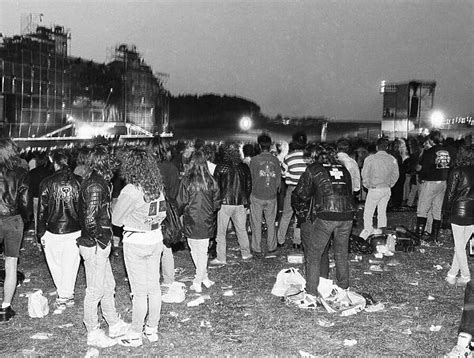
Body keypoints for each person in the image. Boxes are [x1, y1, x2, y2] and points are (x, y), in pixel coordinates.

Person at [112, 148, 167, 347]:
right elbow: (162, 215)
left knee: (139, 291)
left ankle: (135, 334)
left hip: (136, 241)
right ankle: (152, 329)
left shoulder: (131, 190)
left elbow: (116, 220)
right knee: (154, 287)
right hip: (155, 238)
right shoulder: (157, 186)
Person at [77, 145, 129, 348]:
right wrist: (102, 240)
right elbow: (90, 220)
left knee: (108, 286)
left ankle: (113, 323)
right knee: (95, 290)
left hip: (98, 242)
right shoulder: (95, 185)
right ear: (105, 162)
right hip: (95, 244)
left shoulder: (98, 182)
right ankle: (93, 331)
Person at [292, 144, 356, 300]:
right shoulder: (343, 168)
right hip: (347, 214)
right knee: (341, 254)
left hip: (327, 214)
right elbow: (350, 191)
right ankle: (343, 289)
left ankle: (311, 293)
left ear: (317, 155)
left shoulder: (314, 169)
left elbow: (301, 193)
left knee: (314, 255)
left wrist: (302, 215)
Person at [37, 150, 82, 312]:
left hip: (53, 229)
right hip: (75, 229)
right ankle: (66, 294)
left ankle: (64, 295)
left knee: (55, 264)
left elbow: (41, 211)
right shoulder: (79, 181)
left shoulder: (46, 182)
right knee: (71, 263)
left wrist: (40, 232)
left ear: (54, 163)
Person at [177, 150, 221, 293]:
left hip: (191, 219)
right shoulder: (211, 181)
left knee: (195, 250)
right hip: (206, 219)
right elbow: (217, 202)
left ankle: (197, 280)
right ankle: (204, 277)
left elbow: (181, 201)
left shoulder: (186, 181)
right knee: (201, 251)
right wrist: (209, 210)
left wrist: (181, 211)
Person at [0, 138, 32, 322]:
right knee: (11, 265)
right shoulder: (21, 173)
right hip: (13, 220)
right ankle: (5, 308)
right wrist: (25, 220)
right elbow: (25, 202)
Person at [211, 143, 252, 265]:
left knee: (221, 232)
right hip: (240, 202)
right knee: (241, 230)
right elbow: (249, 185)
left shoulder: (221, 167)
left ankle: (221, 257)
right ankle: (246, 253)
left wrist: (216, 201)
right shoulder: (244, 167)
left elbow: (215, 186)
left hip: (224, 203)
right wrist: (245, 198)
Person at [443, 151, 473, 286]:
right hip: (472, 211)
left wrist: (446, 211)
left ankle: (466, 276)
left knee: (459, 246)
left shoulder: (457, 171)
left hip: (459, 210)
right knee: (461, 246)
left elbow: (450, 193)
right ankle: (452, 274)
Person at [415, 130, 452, 242]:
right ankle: (434, 236)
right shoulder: (447, 151)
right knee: (437, 210)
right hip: (443, 182)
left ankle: (419, 236)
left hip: (430, 181)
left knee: (422, 209)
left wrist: (418, 169)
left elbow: (422, 168)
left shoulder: (430, 151)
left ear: (431, 140)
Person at [359, 137, 399, 239]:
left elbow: (364, 174)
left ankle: (368, 231)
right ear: (387, 147)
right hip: (386, 188)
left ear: (377, 147)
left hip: (374, 188)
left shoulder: (370, 159)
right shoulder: (392, 159)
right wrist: (391, 184)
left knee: (368, 212)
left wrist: (367, 185)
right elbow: (396, 175)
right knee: (382, 211)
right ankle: (382, 232)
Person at [249, 133, 281, 256]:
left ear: (259, 145)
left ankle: (256, 248)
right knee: (271, 222)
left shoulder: (254, 160)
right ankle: (272, 246)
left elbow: (251, 178)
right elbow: (278, 179)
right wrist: (274, 190)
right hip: (271, 196)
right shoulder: (275, 160)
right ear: (270, 145)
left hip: (257, 195)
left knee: (256, 222)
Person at [277, 132, 308, 250]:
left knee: (286, 215)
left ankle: (280, 240)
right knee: (300, 216)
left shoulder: (289, 157)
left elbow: (284, 174)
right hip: (305, 190)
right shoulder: (309, 157)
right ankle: (297, 241)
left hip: (292, 188)